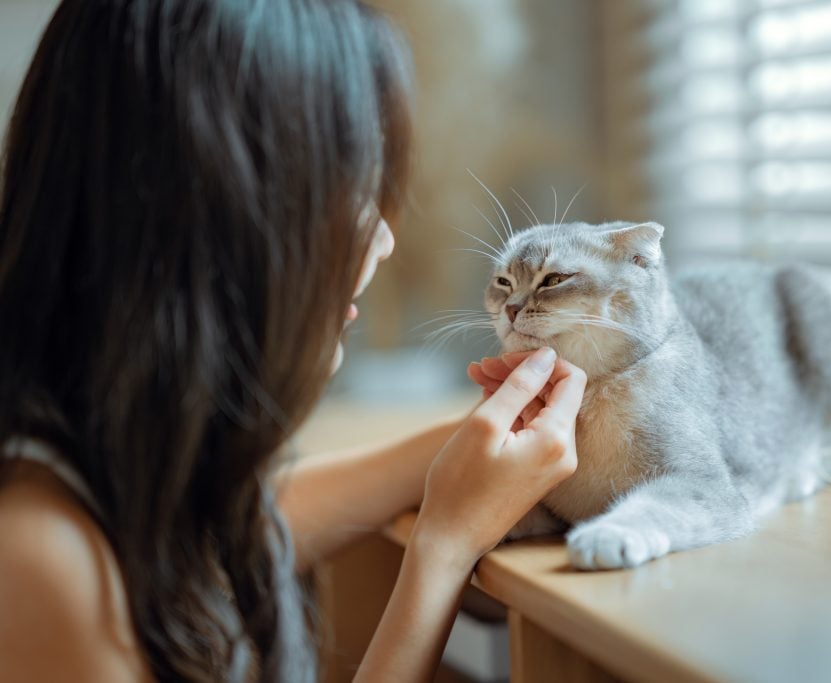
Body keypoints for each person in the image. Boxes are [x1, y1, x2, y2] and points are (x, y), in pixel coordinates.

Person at [0, 1, 586, 681]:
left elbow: (242, 520)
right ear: (222, 208)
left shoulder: (110, 468)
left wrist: (454, 450)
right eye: (347, 187)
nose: (384, 237)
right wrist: (443, 548)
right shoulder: (38, 559)